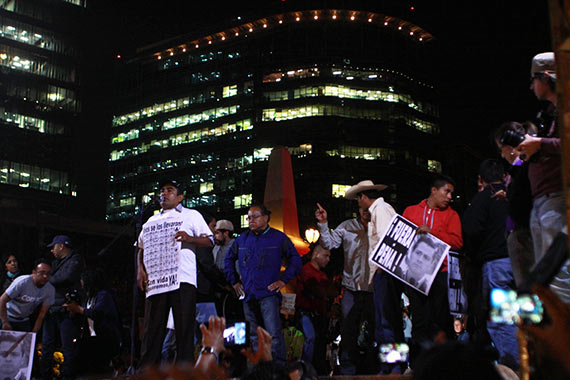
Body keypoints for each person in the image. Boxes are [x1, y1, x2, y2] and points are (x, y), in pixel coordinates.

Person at [136, 179, 213, 367]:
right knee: (152, 329)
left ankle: (183, 372)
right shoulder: (151, 221)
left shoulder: (191, 215)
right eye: (162, 190)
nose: (164, 193)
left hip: (182, 279)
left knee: (183, 328)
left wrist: (190, 238)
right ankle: (148, 373)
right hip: (156, 281)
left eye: (170, 190)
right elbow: (140, 247)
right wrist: (140, 270)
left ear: (180, 197)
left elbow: (209, 241)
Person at [515, 52, 570, 303]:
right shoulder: (550, 113)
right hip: (543, 200)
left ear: (545, 77)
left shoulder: (565, 107)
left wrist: (540, 144)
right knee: (547, 276)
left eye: (533, 80)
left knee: (558, 275)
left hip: (556, 198)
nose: (530, 86)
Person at [224, 204, 302, 365]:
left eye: (254, 216)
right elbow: (228, 259)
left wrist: (283, 280)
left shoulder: (279, 238)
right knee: (253, 335)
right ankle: (255, 369)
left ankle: (277, 369)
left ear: (266, 217)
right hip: (248, 295)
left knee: (273, 334)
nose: (250, 220)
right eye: (248, 217)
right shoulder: (242, 239)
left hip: (268, 294)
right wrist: (234, 282)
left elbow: (295, 260)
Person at [463, 159, 519, 370]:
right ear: (504, 176)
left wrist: (475, 253)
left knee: (501, 318)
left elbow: (471, 230)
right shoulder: (514, 194)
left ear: (481, 179)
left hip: (497, 263)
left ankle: (513, 367)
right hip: (522, 263)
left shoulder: (484, 197)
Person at [344, 180, 404, 374]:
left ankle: (393, 366)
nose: (358, 203)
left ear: (363, 197)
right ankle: (392, 365)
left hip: (385, 272)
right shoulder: (380, 210)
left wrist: (382, 269)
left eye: (358, 199)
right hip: (384, 272)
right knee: (387, 321)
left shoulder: (381, 210)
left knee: (387, 321)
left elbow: (389, 241)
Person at [402, 174, 462, 363]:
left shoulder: (452, 215)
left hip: (441, 274)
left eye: (452, 193)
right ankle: (418, 364)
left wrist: (433, 233)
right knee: (419, 319)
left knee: (439, 320)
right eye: (447, 191)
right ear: (434, 190)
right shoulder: (411, 211)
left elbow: (457, 242)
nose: (450, 197)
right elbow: (401, 236)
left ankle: (440, 364)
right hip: (415, 274)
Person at [315, 203, 374, 375]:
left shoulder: (381, 227)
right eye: (362, 207)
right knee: (348, 330)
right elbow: (328, 243)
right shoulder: (347, 226)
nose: (365, 211)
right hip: (351, 288)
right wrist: (323, 223)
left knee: (375, 329)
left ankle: (372, 367)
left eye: (369, 208)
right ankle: (348, 368)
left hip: (373, 287)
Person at [494, 121, 535, 287]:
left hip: (524, 235)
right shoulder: (519, 167)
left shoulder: (522, 165)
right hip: (521, 234)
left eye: (501, 148)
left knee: (528, 288)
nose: (502, 155)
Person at [63, 268, 122, 376]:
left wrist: (78, 309)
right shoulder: (89, 298)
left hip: (105, 339)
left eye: (82, 280)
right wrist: (74, 313)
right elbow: (85, 317)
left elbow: (96, 314)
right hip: (91, 339)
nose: (81, 283)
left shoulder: (103, 295)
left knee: (91, 367)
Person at [42, 235, 84, 380]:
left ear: (61, 246)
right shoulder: (56, 263)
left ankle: (67, 376)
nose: (52, 251)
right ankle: (45, 375)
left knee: (68, 347)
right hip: (52, 309)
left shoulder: (75, 261)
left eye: (53, 247)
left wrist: (47, 280)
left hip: (65, 310)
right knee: (47, 346)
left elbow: (64, 277)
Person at [295, 245, 335, 373]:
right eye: (326, 256)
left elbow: (328, 291)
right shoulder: (306, 271)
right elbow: (319, 290)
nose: (328, 259)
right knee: (310, 339)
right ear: (316, 254)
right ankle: (305, 369)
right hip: (306, 313)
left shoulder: (320, 275)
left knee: (317, 342)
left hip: (318, 315)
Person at [0, 258, 54, 332]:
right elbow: (2, 300)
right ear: (34, 272)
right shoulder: (22, 282)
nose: (45, 276)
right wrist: (5, 322)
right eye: (41, 273)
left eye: (48, 274)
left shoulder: (50, 289)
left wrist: (34, 331)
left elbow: (42, 313)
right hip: (8, 316)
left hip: (24, 320)